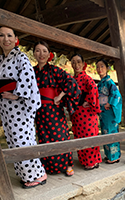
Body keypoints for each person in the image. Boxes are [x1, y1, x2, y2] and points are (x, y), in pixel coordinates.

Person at [0, 27, 46, 189]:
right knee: (12, 139)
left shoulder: (21, 57)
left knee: (23, 140)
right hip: (6, 106)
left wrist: (17, 94)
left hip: (20, 107)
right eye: (2, 35)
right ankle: (28, 173)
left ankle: (36, 175)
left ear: (16, 38)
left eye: (9, 35)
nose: (5, 39)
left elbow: (28, 78)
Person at [33, 41, 80, 176]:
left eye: (44, 51)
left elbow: (71, 82)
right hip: (39, 110)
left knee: (59, 136)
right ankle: (48, 166)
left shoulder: (55, 70)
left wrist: (60, 96)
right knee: (43, 138)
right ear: (34, 54)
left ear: (49, 55)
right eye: (38, 50)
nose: (41, 54)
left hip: (53, 110)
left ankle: (67, 165)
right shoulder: (32, 71)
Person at [71, 54, 102, 169]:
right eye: (73, 62)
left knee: (89, 135)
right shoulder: (73, 79)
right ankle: (85, 160)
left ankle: (92, 161)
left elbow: (93, 88)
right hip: (77, 113)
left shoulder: (86, 78)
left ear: (84, 64)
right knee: (79, 135)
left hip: (87, 113)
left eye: (79, 62)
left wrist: (88, 101)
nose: (76, 65)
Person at [96, 59, 122, 164]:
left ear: (107, 68)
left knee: (112, 133)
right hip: (103, 113)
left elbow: (117, 95)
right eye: (97, 67)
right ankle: (109, 155)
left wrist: (110, 103)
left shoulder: (109, 82)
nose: (99, 69)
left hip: (109, 112)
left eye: (102, 66)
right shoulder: (100, 83)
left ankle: (114, 156)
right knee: (105, 133)